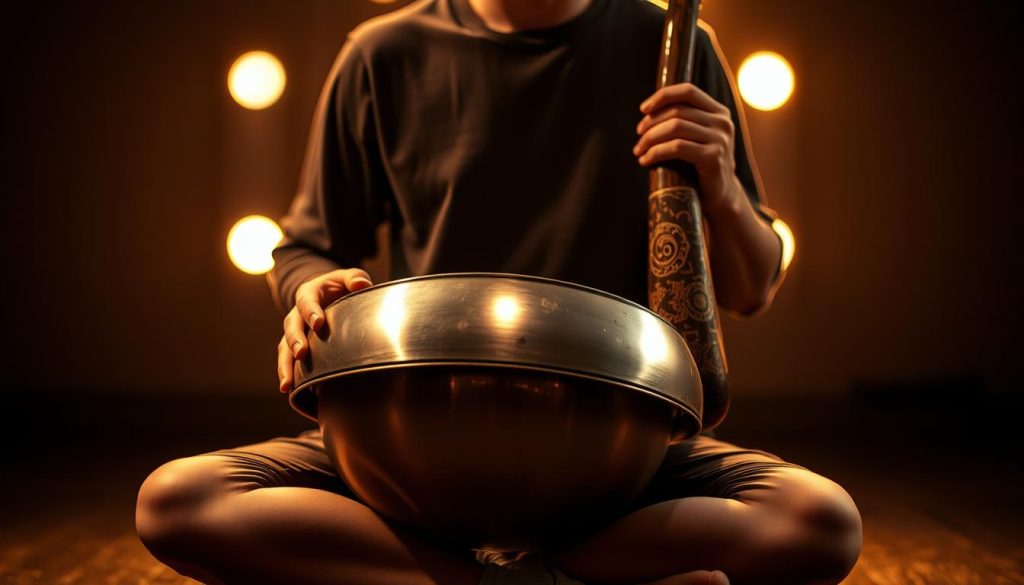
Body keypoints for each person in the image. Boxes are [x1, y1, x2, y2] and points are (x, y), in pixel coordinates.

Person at [135, 0, 863, 583]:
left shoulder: (673, 40)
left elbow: (751, 285)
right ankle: (544, 578)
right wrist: (306, 286)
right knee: (176, 501)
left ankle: (467, 574)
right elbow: (306, 243)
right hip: (419, 440)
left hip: (614, 441)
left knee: (820, 521)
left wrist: (724, 187)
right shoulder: (382, 53)